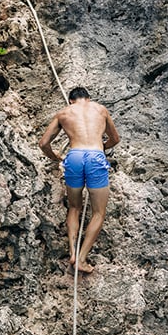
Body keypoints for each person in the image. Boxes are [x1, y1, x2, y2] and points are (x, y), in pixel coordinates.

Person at [39, 86, 120, 273]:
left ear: (70, 101)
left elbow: (43, 143)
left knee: (75, 207)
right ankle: (82, 259)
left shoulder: (63, 113)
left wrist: (56, 157)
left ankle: (73, 252)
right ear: (88, 99)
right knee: (98, 213)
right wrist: (100, 146)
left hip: (74, 157)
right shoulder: (100, 109)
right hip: (95, 156)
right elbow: (115, 139)